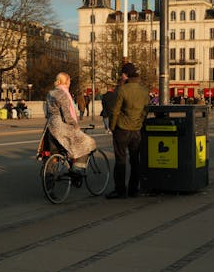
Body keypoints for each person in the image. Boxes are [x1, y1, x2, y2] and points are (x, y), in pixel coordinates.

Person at [106, 63, 149, 199]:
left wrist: (112, 127)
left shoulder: (122, 90)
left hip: (122, 129)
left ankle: (120, 190)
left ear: (126, 75)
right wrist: (139, 122)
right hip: (136, 130)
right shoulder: (144, 90)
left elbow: (115, 111)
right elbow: (145, 110)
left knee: (120, 160)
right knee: (135, 160)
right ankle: (133, 189)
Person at [40, 72, 96, 173]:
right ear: (66, 81)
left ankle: (48, 176)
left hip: (50, 126)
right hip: (61, 127)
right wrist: (75, 125)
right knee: (87, 143)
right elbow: (67, 116)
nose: (70, 83)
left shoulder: (50, 93)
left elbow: (47, 111)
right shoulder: (63, 94)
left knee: (53, 153)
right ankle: (77, 168)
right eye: (69, 81)